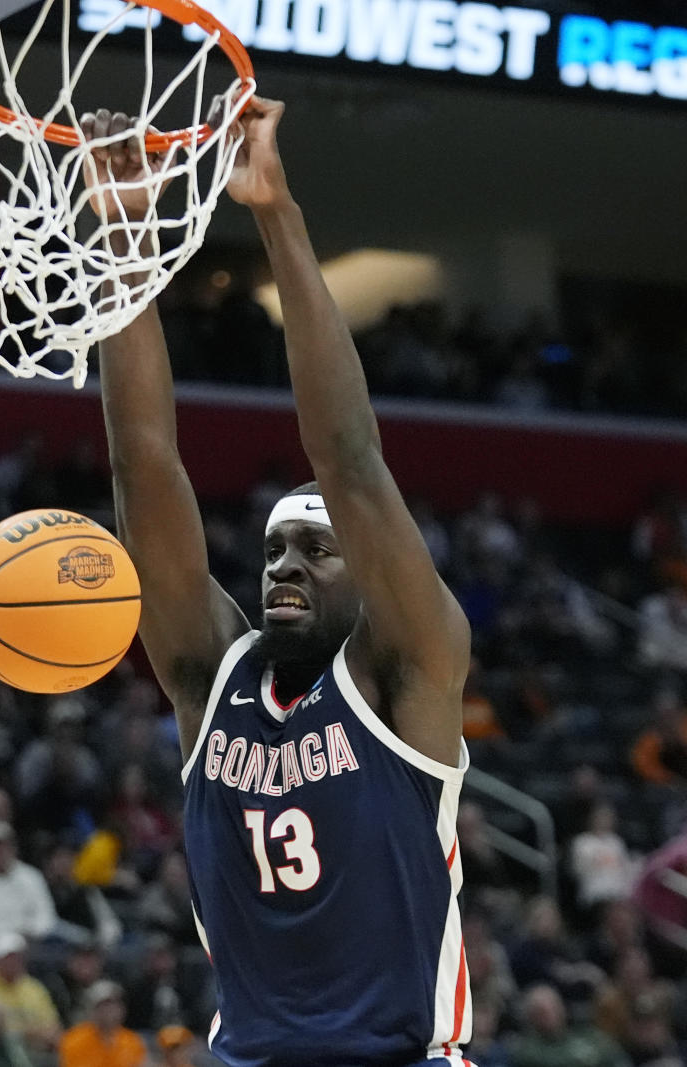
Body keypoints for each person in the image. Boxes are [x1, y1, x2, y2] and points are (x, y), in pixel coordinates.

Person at [84, 95, 472, 1065]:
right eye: (273, 552)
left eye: (316, 550)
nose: (287, 565)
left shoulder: (407, 674)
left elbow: (347, 454)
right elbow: (143, 462)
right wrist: (128, 245)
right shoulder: (208, 670)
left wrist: (275, 213)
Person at [57, 981, 145, 1067]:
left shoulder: (132, 1041)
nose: (109, 1011)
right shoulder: (73, 1040)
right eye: (103, 1006)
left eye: (114, 1005)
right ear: (91, 1010)